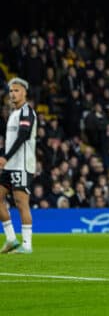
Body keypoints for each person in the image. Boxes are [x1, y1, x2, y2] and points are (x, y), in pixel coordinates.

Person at [0, 78, 38, 254]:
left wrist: (5, 157)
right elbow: (10, 141)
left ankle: (27, 245)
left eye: (16, 90)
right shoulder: (13, 114)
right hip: (9, 165)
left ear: (24, 92)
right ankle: (11, 239)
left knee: (21, 203)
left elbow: (23, 136)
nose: (13, 94)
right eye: (11, 91)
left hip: (21, 164)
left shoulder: (26, 111)